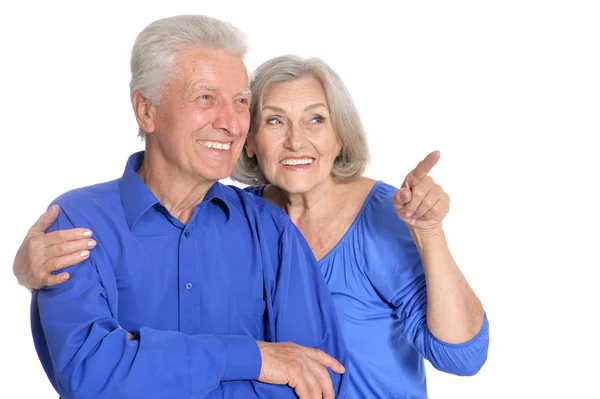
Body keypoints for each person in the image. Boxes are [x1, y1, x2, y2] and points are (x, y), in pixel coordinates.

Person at [14, 54, 490, 397]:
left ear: (340, 135)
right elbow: (101, 370)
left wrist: (429, 234)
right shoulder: (238, 219)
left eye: (316, 120)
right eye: (275, 121)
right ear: (249, 141)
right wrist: (23, 269)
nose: (296, 140)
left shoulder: (384, 213)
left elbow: (461, 357)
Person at [18, 15, 350, 399]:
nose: (230, 123)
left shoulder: (269, 229)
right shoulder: (77, 221)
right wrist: (253, 356)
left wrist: (140, 358)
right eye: (206, 98)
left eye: (241, 101)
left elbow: (321, 378)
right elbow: (93, 374)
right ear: (146, 111)